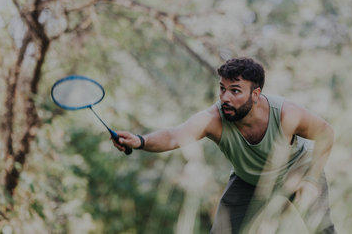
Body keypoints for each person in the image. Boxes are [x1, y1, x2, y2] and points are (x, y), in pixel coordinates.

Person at [112, 57, 336, 234]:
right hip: (249, 180)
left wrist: (311, 179)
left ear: (255, 94)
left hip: (298, 171)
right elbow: (174, 136)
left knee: (322, 229)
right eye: (222, 89)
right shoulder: (214, 119)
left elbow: (326, 132)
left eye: (235, 90)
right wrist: (140, 141)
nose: (225, 98)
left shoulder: (287, 114)